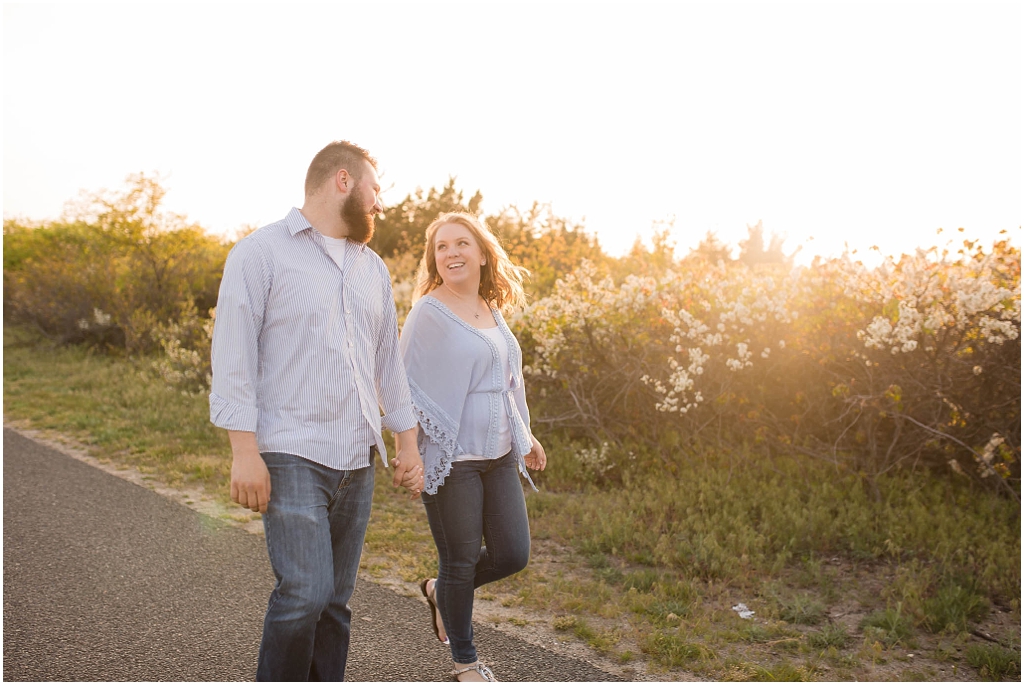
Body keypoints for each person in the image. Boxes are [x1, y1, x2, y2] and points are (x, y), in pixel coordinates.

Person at [209, 140, 425, 681]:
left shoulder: (371, 268)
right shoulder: (260, 253)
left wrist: (405, 441)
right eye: (376, 189)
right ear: (345, 181)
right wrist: (243, 452)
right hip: (289, 452)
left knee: (335, 602)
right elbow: (233, 352)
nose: (381, 203)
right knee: (304, 592)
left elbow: (386, 364)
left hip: (356, 458)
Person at [399, 212, 548, 682]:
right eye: (441, 248)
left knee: (512, 554)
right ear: (435, 260)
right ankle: (465, 662)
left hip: (500, 453)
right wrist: (409, 448)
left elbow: (508, 381)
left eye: (461, 243)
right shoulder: (429, 312)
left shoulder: (490, 308)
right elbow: (402, 381)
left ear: (482, 254)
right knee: (461, 559)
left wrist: (526, 435)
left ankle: (442, 592)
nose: (451, 253)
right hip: (454, 458)